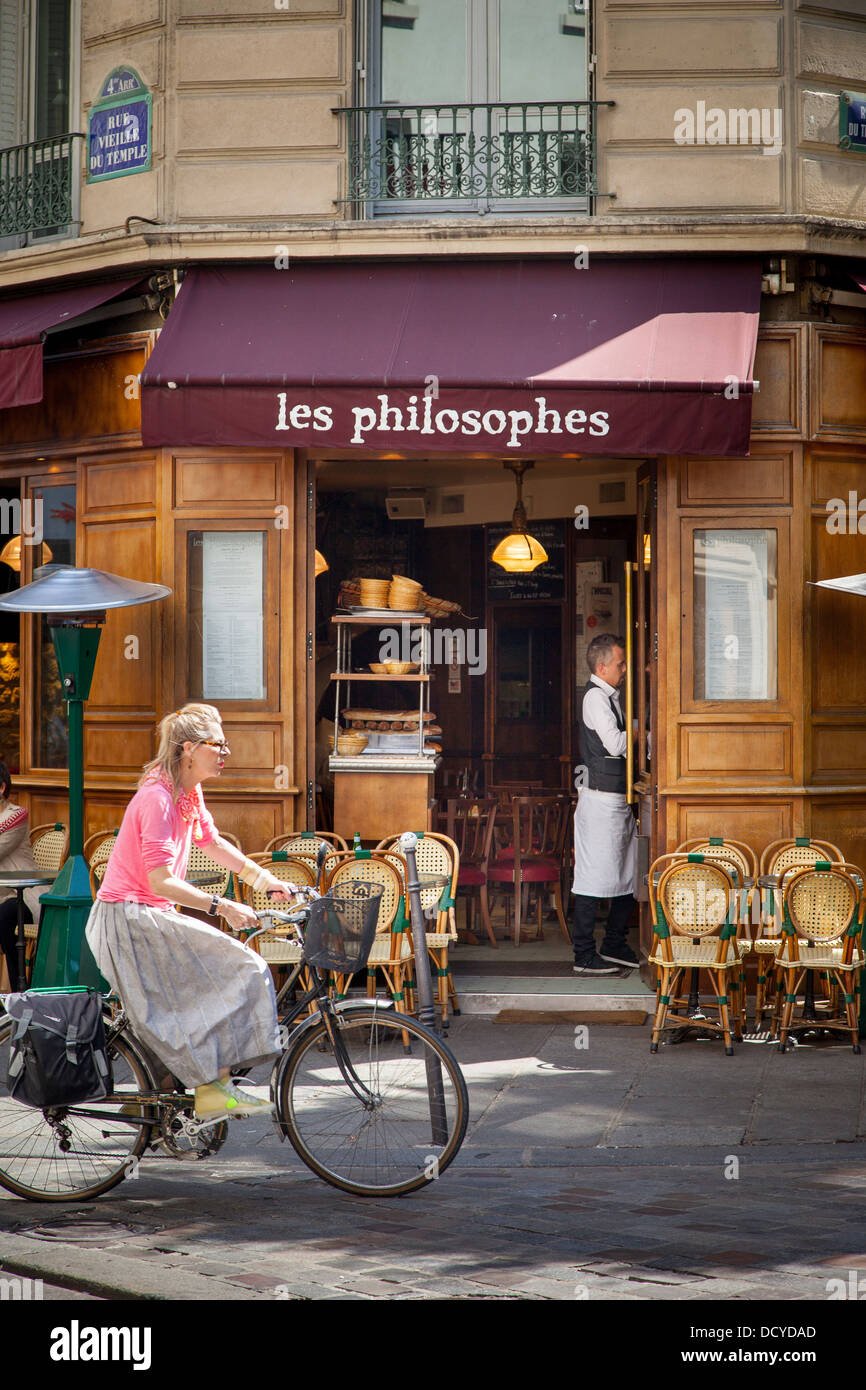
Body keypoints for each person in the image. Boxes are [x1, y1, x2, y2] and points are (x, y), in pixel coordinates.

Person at [85, 704, 296, 1120]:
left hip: (145, 916)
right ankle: (216, 1092)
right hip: (128, 920)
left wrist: (263, 880)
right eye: (218, 744)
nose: (226, 752)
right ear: (188, 749)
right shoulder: (157, 798)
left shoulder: (186, 792)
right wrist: (222, 906)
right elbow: (161, 880)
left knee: (212, 986)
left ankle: (177, 1101)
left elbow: (212, 843)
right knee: (244, 968)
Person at [572, 633, 639, 975]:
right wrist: (645, 732)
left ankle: (614, 942)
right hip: (599, 800)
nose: (624, 669)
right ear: (602, 666)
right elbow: (614, 745)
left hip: (616, 799)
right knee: (591, 877)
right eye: (620, 663)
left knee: (628, 873)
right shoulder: (595, 698)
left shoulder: (609, 697)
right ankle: (583, 954)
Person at [0, 763, 44, 992]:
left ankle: (20, 991)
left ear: (2, 788)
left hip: (22, 898)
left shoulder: (15, 816)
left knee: (6, 914)